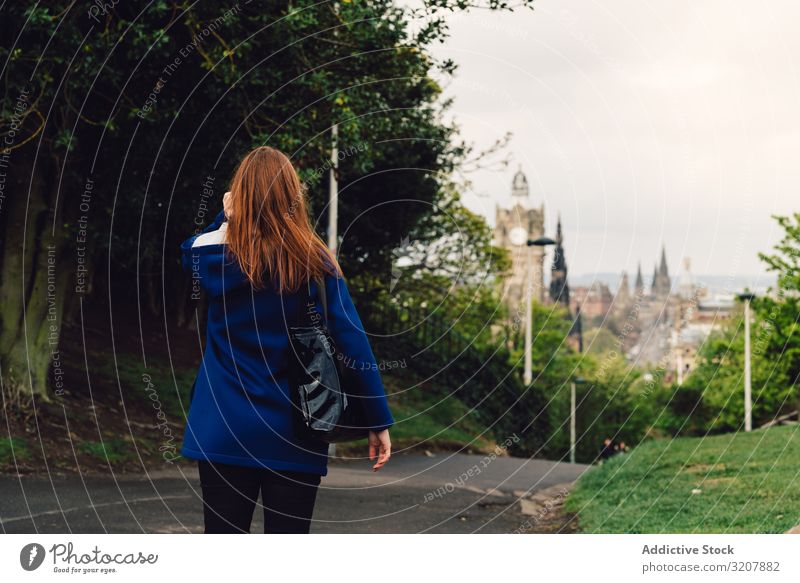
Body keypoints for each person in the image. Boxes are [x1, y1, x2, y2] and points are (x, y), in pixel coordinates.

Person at [179, 146, 394, 534]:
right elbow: (352, 340)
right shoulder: (315, 260)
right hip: (296, 429)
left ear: (239, 198)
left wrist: (226, 217)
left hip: (222, 426)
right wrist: (377, 420)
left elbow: (193, 248)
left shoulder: (209, 256)